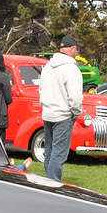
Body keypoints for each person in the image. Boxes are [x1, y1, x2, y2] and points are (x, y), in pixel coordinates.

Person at [39, 35, 83, 182]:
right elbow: (75, 98)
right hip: (63, 115)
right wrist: (76, 112)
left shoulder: (47, 66)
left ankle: (48, 180)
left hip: (47, 113)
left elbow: (41, 89)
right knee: (59, 153)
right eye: (77, 49)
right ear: (71, 49)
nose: (77, 52)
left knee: (50, 151)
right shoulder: (72, 69)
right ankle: (51, 183)